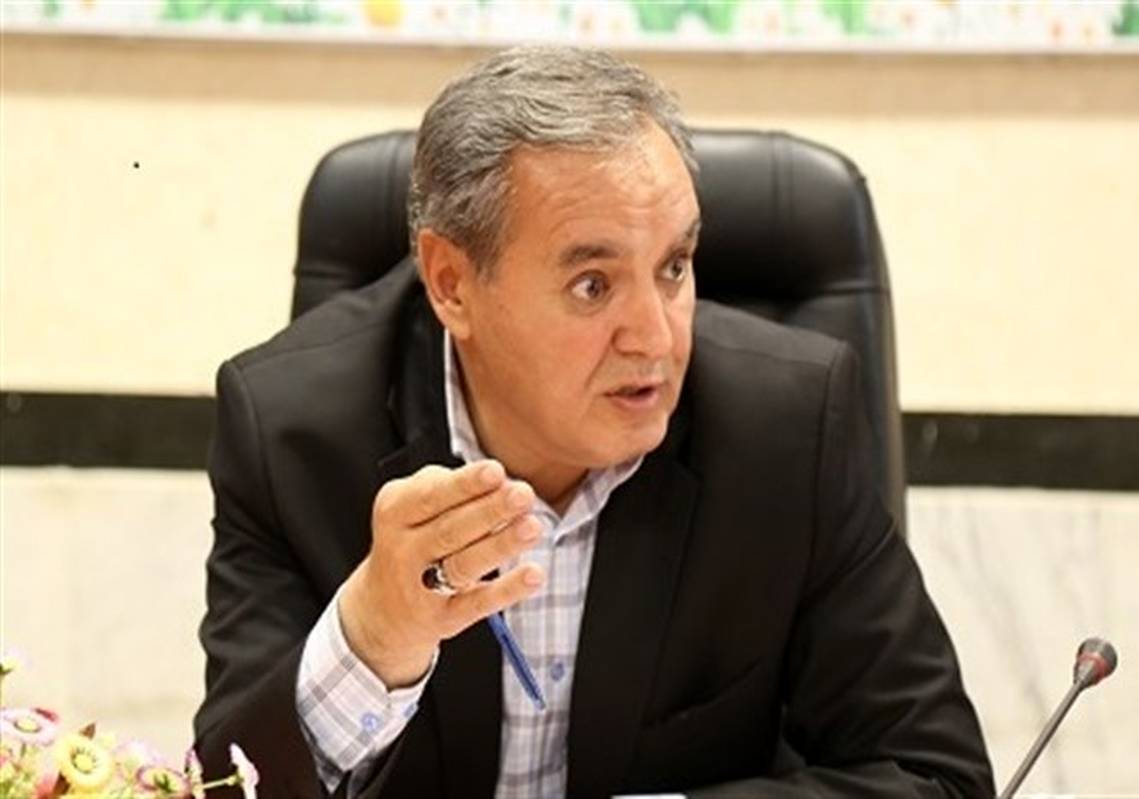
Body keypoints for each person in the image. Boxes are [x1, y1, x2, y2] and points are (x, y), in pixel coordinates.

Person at [194, 46, 993, 798]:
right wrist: (371, 638)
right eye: (592, 285)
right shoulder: (290, 429)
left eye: (674, 267)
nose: (656, 337)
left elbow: (933, 775)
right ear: (451, 284)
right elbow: (230, 787)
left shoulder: (786, 427)